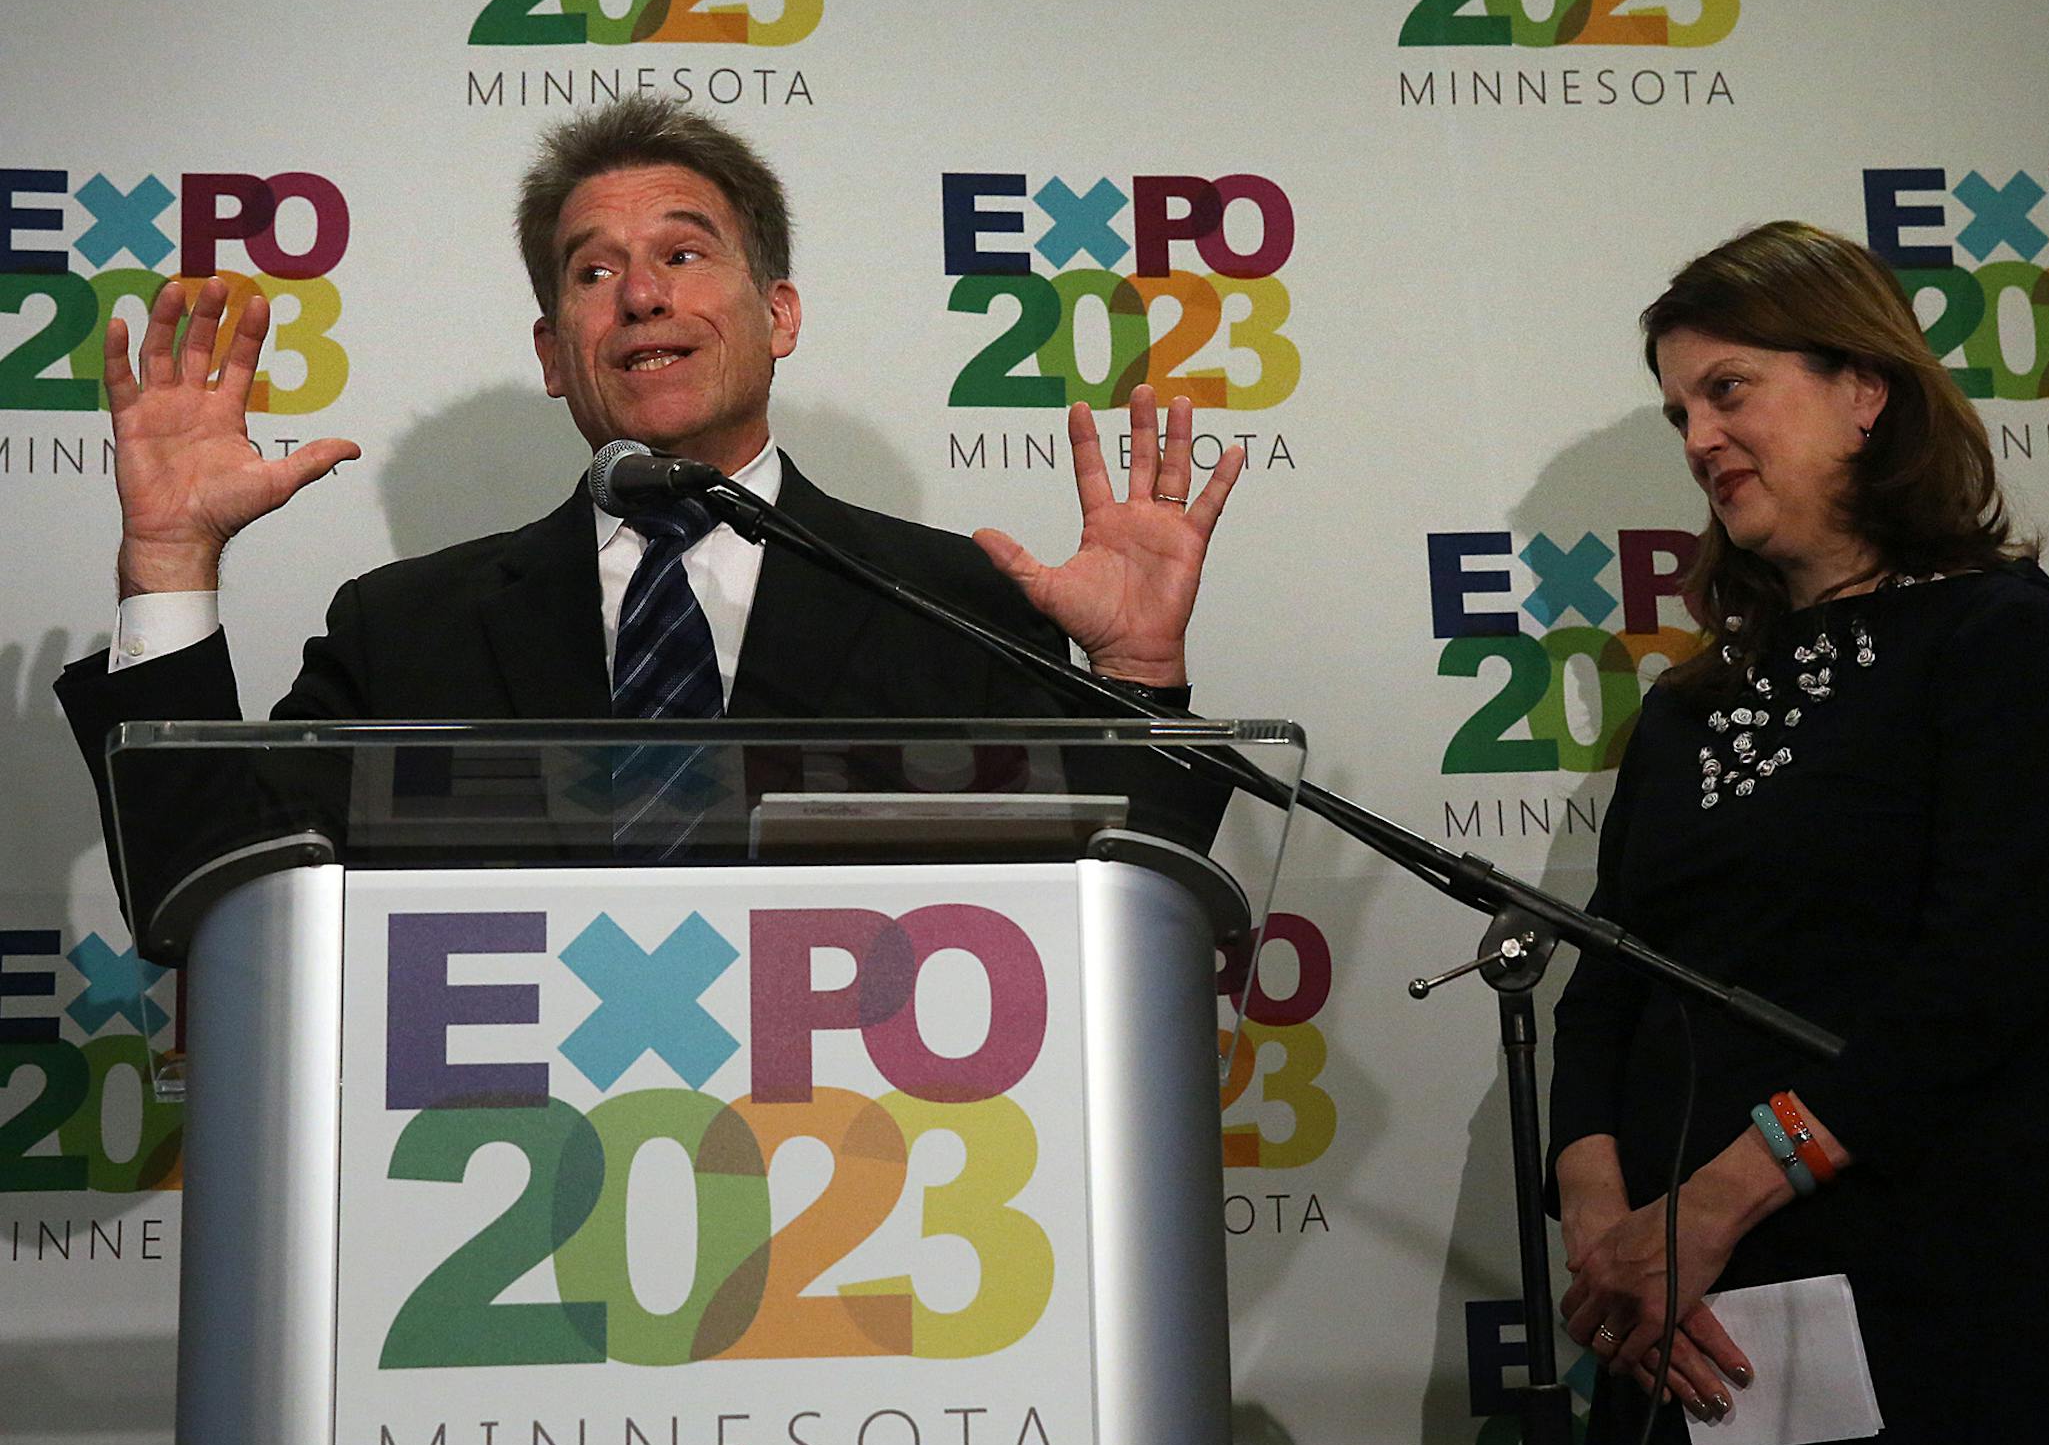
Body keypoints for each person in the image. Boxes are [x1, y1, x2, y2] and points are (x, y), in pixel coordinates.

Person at [56, 97, 1242, 912]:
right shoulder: (405, 627)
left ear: (777, 314)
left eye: (683, 255)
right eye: (592, 270)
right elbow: (203, 888)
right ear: (554, 351)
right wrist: (167, 559)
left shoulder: (950, 601)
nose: (637, 296)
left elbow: (1120, 894)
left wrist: (1139, 669)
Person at [1546, 221, 2049, 1445]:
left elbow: (1972, 983)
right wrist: (1611, 1239)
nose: (1697, 438)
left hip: (1921, 1275)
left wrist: (1714, 1205)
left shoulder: (2002, 641)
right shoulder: (1696, 703)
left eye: (1729, 389)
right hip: (1680, 1315)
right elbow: (1605, 986)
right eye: (1680, 407)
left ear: (1866, 391)